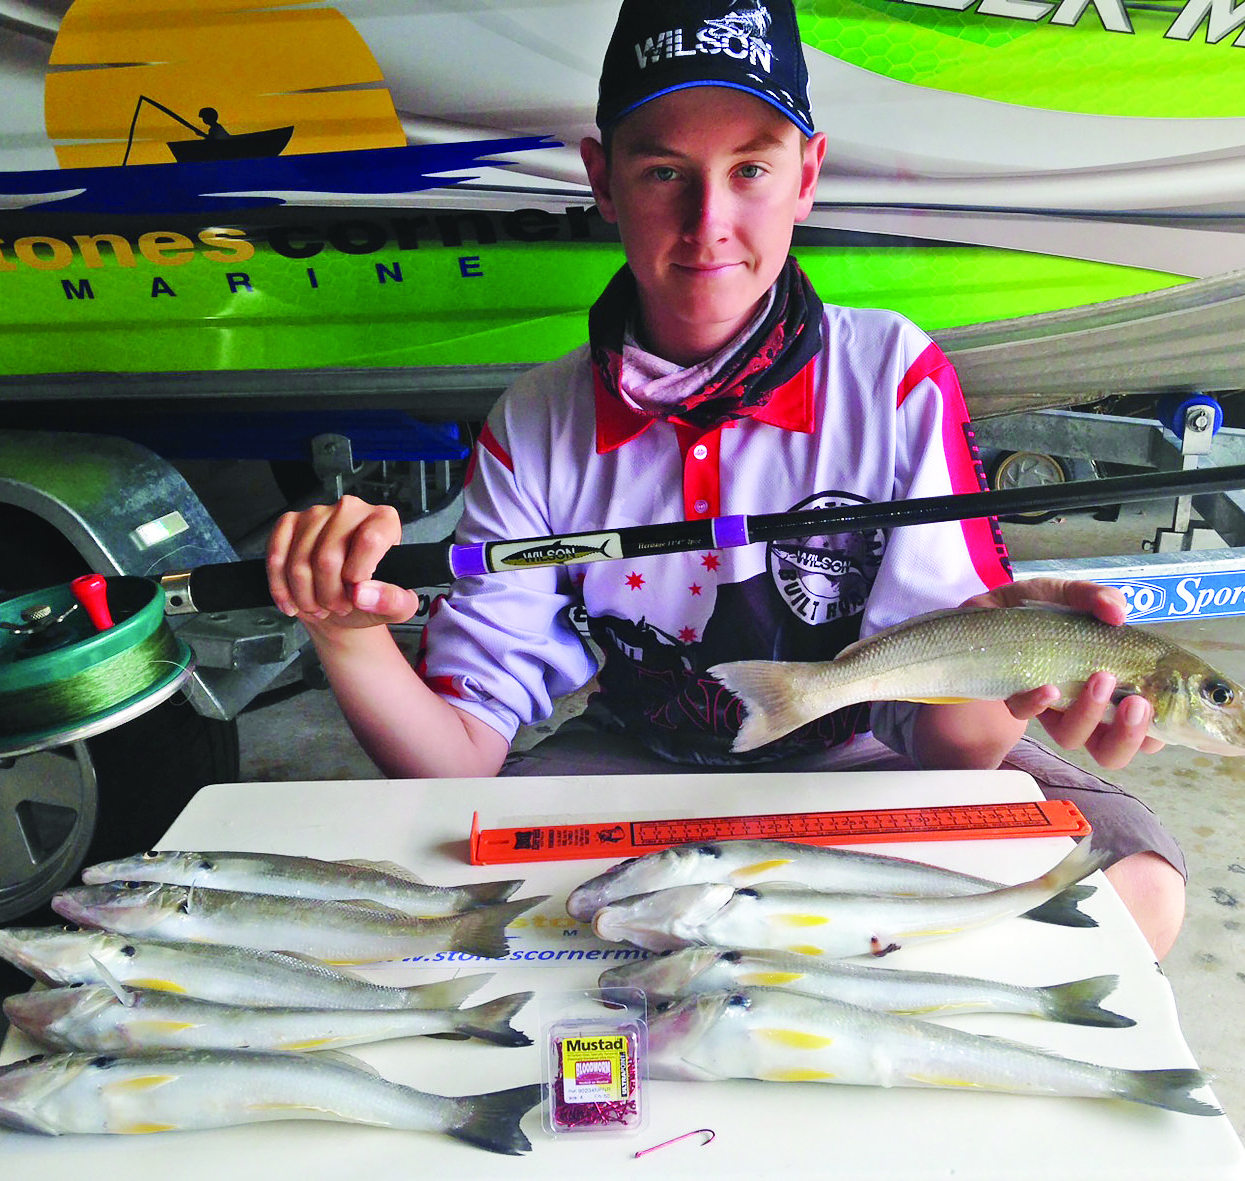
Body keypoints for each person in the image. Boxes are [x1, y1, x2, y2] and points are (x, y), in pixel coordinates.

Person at [265, 0, 1186, 958]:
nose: (709, 222)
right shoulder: (534, 421)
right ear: (602, 180)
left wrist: (1014, 671)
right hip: (637, 754)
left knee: (1130, 899)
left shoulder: (893, 374)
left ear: (807, 175)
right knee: (459, 912)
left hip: (871, 756)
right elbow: (454, 763)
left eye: (750, 168)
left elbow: (948, 755)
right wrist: (351, 637)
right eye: (664, 170)